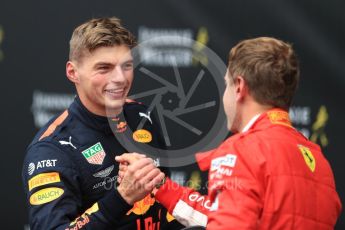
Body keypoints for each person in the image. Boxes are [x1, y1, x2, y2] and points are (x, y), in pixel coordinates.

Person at [117, 37, 342, 229]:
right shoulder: (317, 159)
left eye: (226, 85)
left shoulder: (243, 150)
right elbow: (227, 215)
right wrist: (158, 185)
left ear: (239, 88)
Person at [22, 17, 183, 230]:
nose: (120, 78)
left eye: (126, 66)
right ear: (73, 72)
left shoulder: (141, 115)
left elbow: (164, 209)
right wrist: (122, 196)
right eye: (104, 68)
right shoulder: (50, 150)